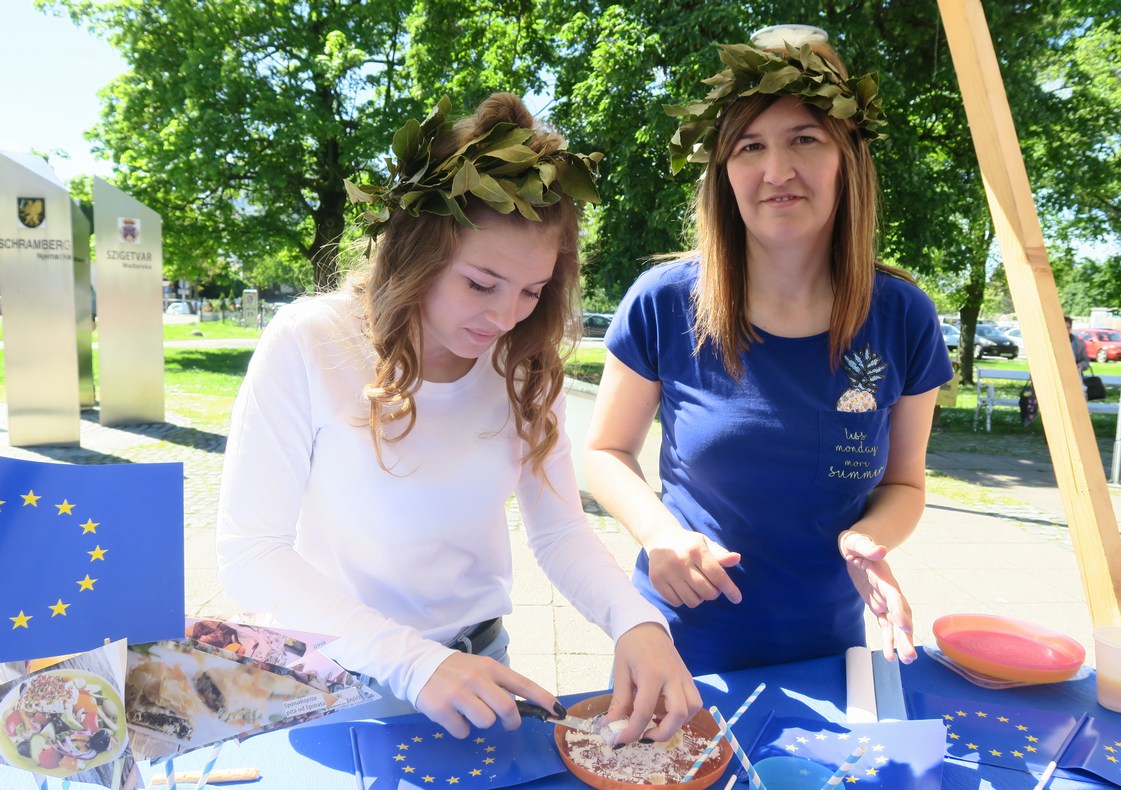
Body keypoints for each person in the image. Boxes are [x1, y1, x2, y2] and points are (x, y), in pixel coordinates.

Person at [216, 93, 699, 744]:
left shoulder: (525, 365)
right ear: (418, 251)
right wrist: (413, 663)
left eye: (532, 291)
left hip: (476, 669)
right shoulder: (311, 340)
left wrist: (637, 622)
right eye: (480, 283)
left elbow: (557, 531)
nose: (504, 318)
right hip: (329, 677)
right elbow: (252, 551)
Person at [584, 28, 954, 677]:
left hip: (830, 657)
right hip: (676, 652)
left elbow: (904, 483)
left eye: (803, 140)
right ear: (723, 170)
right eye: (750, 146)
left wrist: (869, 543)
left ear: (848, 154)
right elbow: (604, 452)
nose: (776, 171)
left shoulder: (904, 317)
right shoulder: (663, 301)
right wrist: (659, 534)